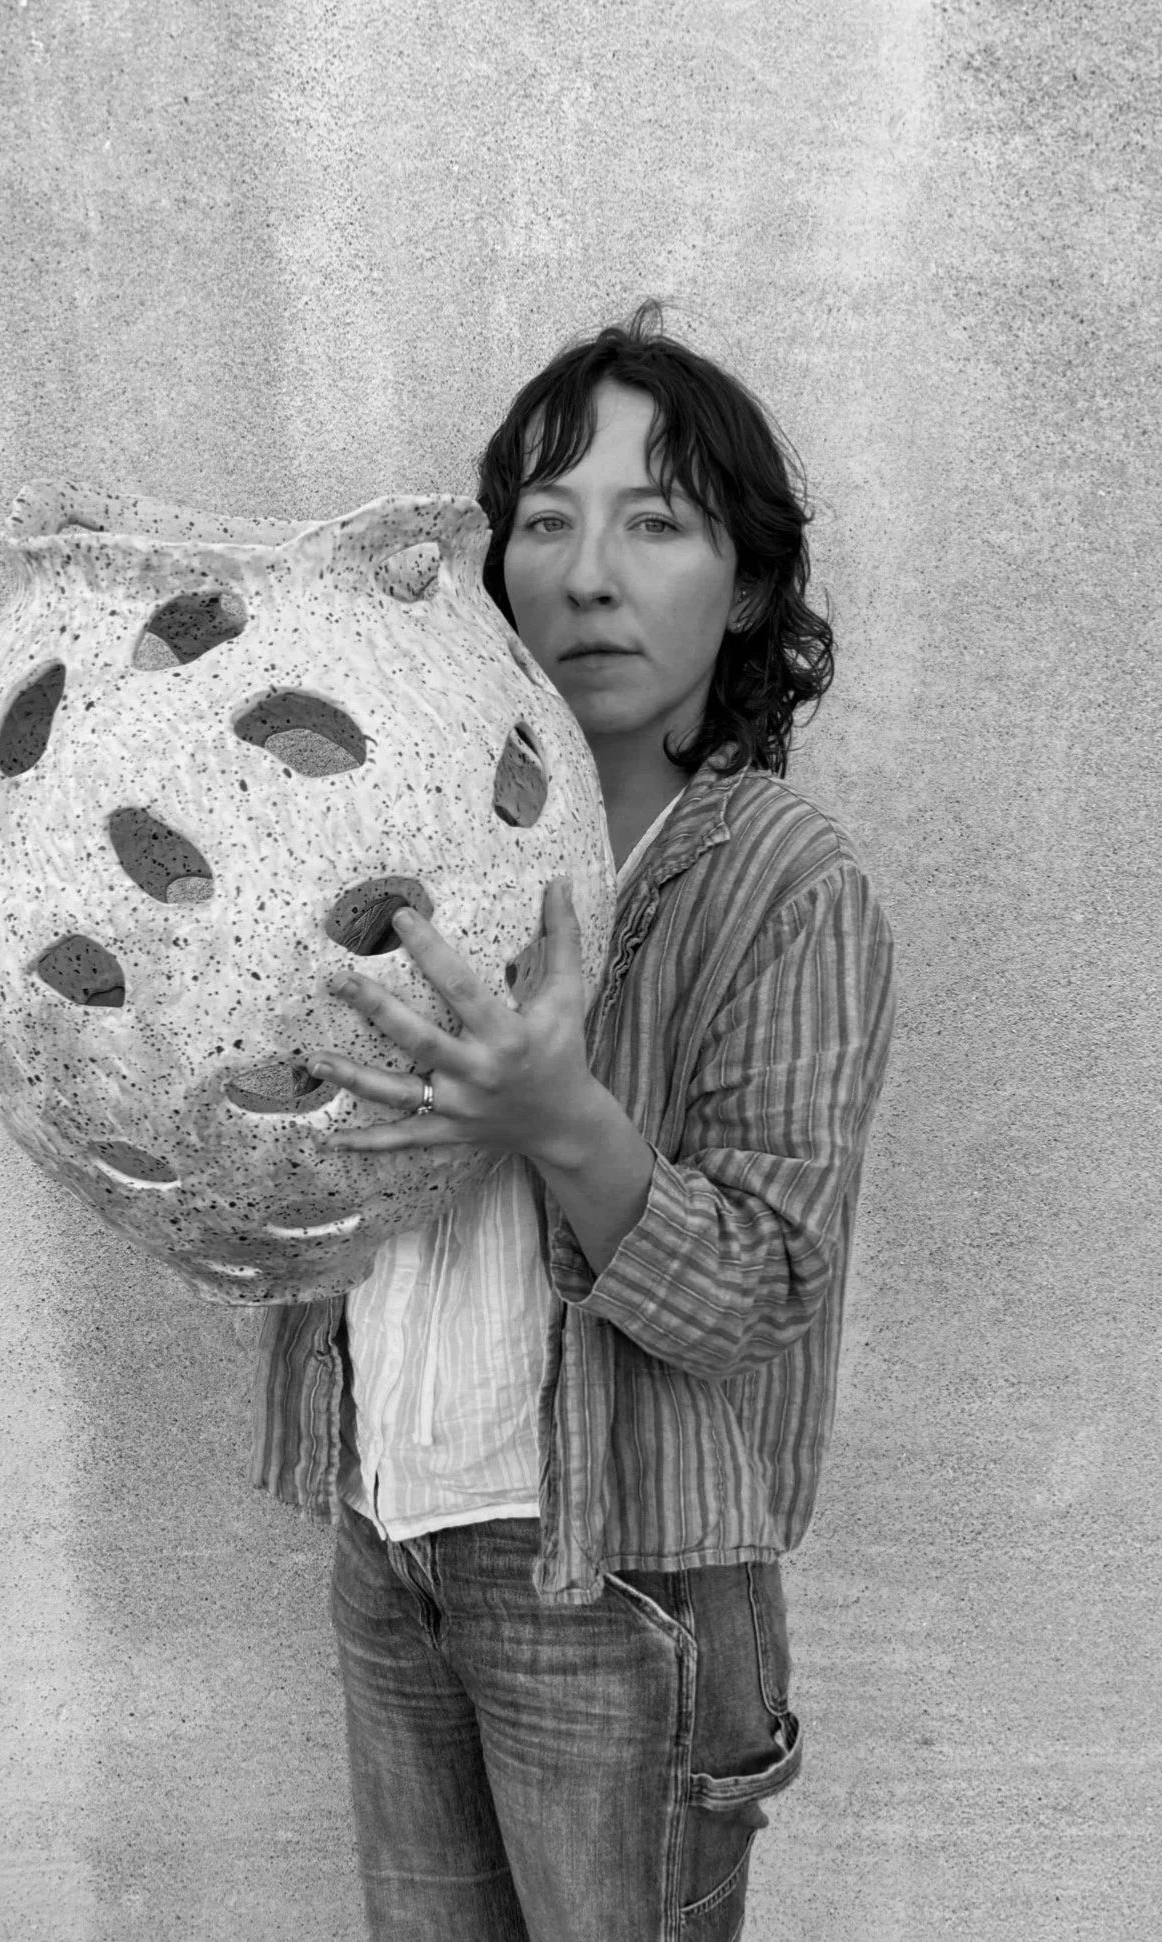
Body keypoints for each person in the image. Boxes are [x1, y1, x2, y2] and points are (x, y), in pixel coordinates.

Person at [250, 301, 896, 1941]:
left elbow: (758, 1285)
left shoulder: (784, 883)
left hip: (620, 1587)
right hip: (389, 1532)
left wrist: (562, 1116)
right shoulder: (387, 828)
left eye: (654, 523)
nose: (587, 572)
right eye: (546, 521)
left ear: (747, 584)